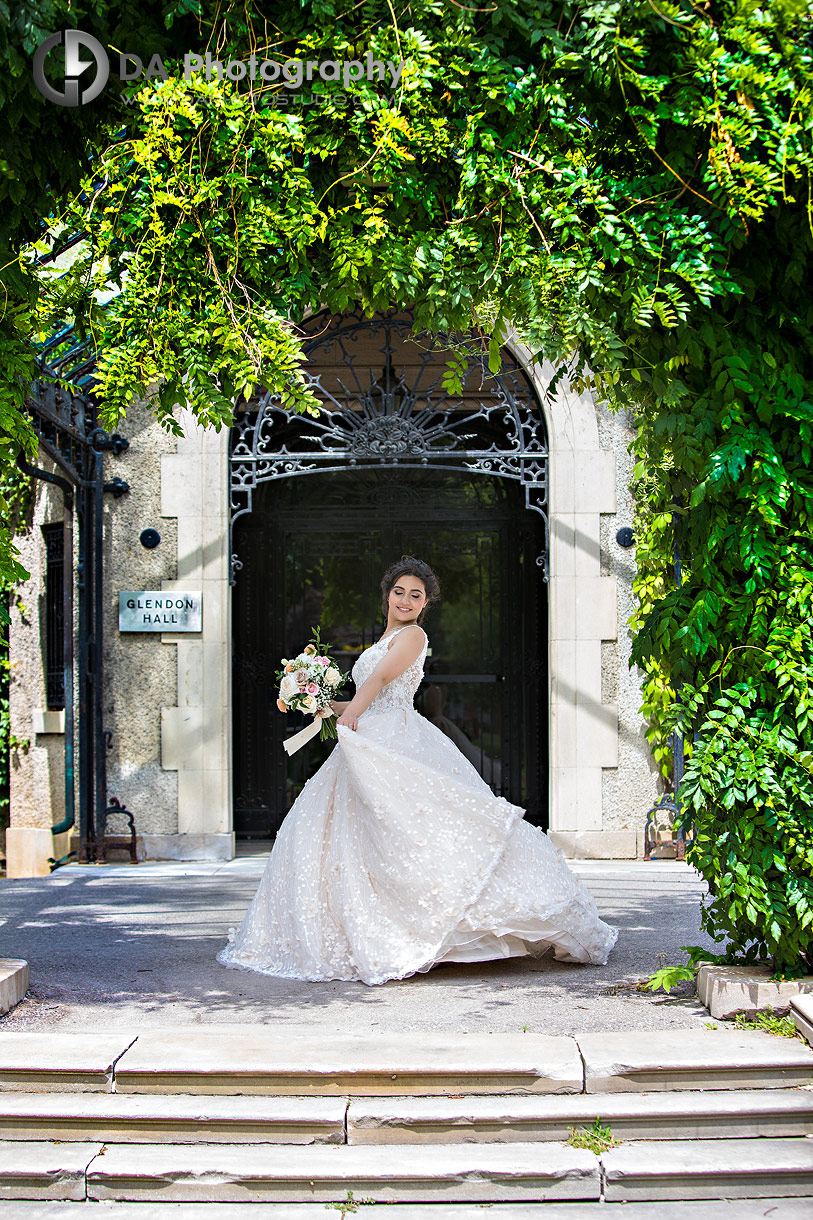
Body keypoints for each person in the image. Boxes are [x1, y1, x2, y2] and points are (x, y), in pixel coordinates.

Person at [218, 556, 617, 986]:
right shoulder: (383, 638)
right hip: (369, 732)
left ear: (425, 603)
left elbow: (379, 682)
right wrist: (315, 703)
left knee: (418, 828)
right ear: (387, 594)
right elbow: (362, 699)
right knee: (356, 837)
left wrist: (350, 716)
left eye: (416, 594)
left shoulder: (412, 636)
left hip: (395, 738)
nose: (406, 600)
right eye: (399, 592)